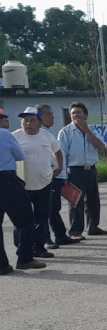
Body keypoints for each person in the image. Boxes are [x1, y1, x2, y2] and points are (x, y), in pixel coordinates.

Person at [0, 107, 45, 273]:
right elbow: (19, 156)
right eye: (5, 117)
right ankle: (25, 258)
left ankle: (2, 265)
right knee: (26, 221)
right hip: (6, 180)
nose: (7, 120)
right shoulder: (5, 134)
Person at [58, 102, 107, 240]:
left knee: (93, 200)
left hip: (91, 169)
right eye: (73, 113)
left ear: (85, 115)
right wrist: (63, 174)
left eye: (78, 113)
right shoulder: (65, 132)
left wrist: (87, 131)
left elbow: (102, 148)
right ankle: (75, 231)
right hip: (74, 170)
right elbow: (62, 154)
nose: (76, 116)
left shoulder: (94, 130)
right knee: (76, 202)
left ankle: (93, 227)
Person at [12, 106, 60, 260]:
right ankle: (22, 246)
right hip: (22, 185)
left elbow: (58, 151)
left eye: (31, 120)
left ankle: (39, 247)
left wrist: (59, 168)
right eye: (25, 120)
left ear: (39, 122)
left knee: (42, 217)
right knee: (22, 219)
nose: (27, 123)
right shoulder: (15, 136)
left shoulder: (47, 135)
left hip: (44, 183)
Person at [36, 105, 72, 249]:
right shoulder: (38, 134)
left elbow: (57, 153)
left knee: (54, 208)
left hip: (56, 177)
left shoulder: (47, 133)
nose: (53, 118)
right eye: (50, 115)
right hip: (46, 177)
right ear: (41, 116)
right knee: (46, 209)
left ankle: (60, 235)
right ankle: (46, 239)